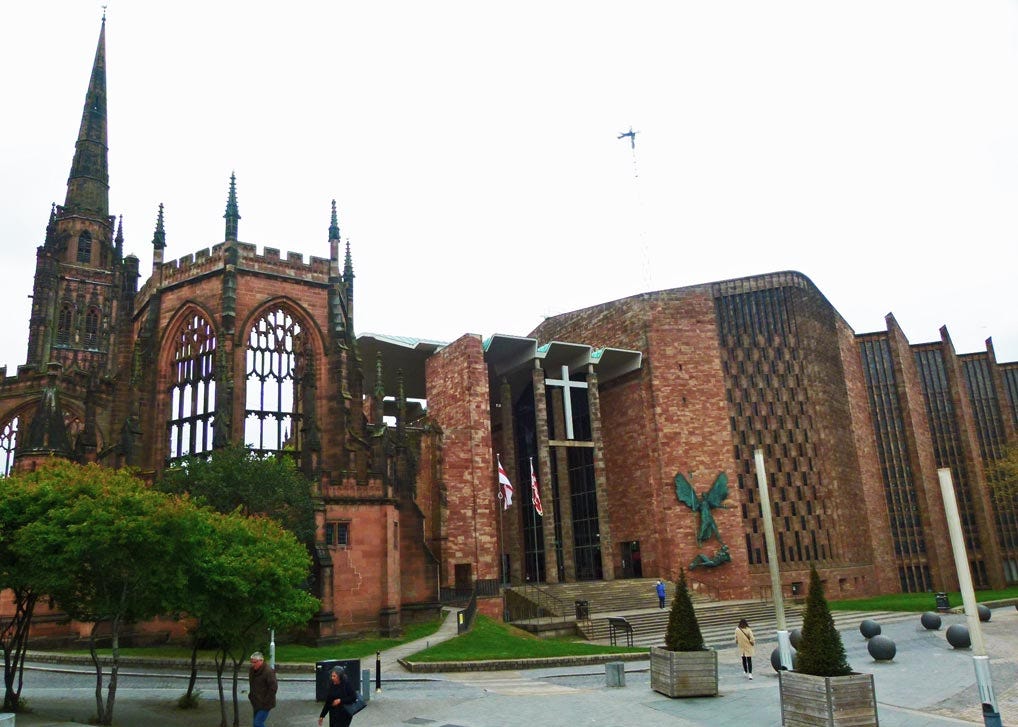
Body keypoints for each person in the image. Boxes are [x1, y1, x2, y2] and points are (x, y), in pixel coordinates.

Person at [248, 651, 278, 727]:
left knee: (257, 723)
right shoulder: (252, 670)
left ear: (261, 661)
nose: (253, 664)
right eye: (251, 662)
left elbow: (273, 688)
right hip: (256, 701)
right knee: (256, 723)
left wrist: (266, 700)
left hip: (265, 703)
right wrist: (251, 695)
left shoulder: (268, 672)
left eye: (255, 662)